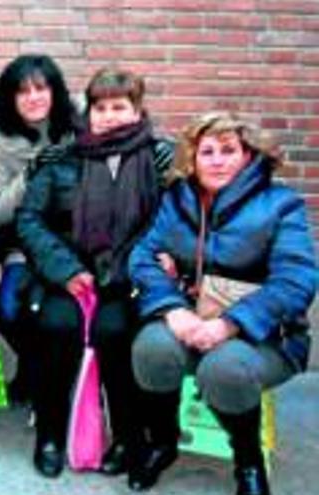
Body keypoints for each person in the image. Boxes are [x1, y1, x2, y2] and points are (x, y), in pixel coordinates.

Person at [128, 112, 318, 494]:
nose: (216, 159)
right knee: (151, 349)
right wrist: (173, 309)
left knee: (224, 369)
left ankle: (247, 460)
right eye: (206, 151)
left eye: (227, 150)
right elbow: (142, 257)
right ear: (192, 159)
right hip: (192, 318)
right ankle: (163, 442)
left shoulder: (280, 204)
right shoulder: (178, 200)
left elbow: (297, 279)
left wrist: (231, 324)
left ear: (247, 155)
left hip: (264, 335)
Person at [16, 68, 174, 478]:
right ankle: (49, 434)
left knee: (116, 333)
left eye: (119, 106)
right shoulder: (62, 159)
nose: (108, 115)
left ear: (137, 111)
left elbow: (170, 224)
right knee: (56, 326)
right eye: (99, 107)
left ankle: (125, 436)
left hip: (128, 278)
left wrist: (145, 267)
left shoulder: (159, 162)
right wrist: (64, 269)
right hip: (67, 275)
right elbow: (30, 220)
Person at [0, 53, 81, 405]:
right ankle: (36, 367)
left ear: (55, 91)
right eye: (22, 91)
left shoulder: (81, 118)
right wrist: (30, 172)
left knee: (63, 310)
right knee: (9, 307)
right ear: (9, 98)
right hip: (23, 243)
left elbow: (125, 120)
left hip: (77, 241)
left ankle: (61, 377)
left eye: (41, 88)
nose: (33, 97)